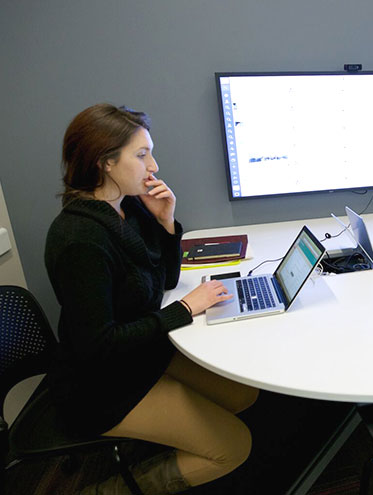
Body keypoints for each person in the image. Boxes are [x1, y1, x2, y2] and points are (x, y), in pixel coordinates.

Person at [45, 103, 259, 495]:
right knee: (234, 447)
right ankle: (105, 489)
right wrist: (185, 309)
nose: (154, 166)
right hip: (102, 386)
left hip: (143, 356)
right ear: (105, 162)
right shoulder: (80, 240)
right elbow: (99, 345)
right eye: (142, 155)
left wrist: (166, 221)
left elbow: (165, 279)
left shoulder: (126, 208)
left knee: (243, 394)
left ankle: (166, 440)